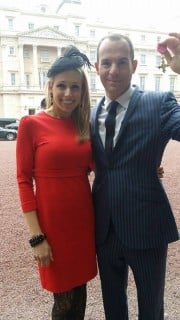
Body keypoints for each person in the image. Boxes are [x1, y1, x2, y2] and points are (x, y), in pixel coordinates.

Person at [90, 32, 180, 319]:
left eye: (121, 62)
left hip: (147, 227)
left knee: (151, 309)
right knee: (113, 308)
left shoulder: (160, 103)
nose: (113, 71)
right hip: (104, 229)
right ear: (96, 67)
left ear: (135, 65)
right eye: (106, 63)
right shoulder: (89, 114)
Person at [16, 46, 97, 320]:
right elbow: (24, 181)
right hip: (52, 227)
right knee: (63, 303)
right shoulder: (31, 124)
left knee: (79, 297)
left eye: (75, 87)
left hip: (83, 224)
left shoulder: (83, 125)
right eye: (62, 85)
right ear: (50, 87)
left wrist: (144, 168)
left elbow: (106, 167)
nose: (68, 93)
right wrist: (37, 237)